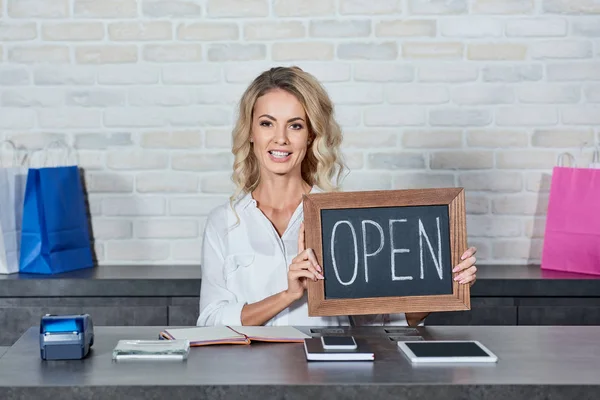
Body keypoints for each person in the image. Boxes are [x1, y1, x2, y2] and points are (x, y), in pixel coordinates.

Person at [197, 66, 477, 328]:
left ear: (310, 135)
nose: (280, 138)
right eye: (267, 123)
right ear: (250, 133)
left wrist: (443, 282)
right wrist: (289, 294)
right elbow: (210, 320)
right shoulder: (224, 222)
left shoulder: (340, 218)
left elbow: (383, 321)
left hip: (324, 374)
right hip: (249, 374)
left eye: (295, 125)